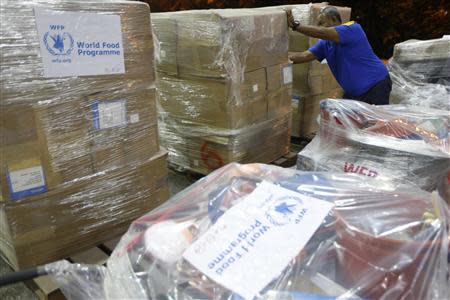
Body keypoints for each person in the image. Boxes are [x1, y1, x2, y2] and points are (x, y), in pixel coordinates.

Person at [286, 6, 391, 105]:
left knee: (375, 122)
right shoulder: (325, 44)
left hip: (375, 85)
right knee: (348, 122)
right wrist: (276, 57)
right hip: (353, 94)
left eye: (321, 23)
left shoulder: (352, 28)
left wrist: (296, 26)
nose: (319, 27)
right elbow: (304, 56)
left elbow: (322, 32)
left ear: (333, 19)